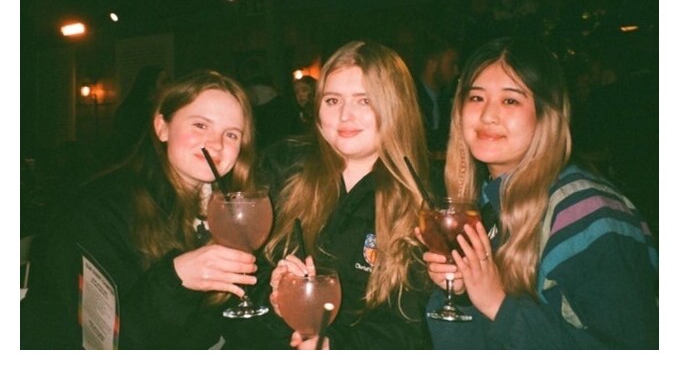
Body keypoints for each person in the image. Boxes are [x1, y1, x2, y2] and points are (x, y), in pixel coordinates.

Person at [422, 37, 658, 349]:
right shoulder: (485, 205)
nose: (487, 115)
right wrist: (464, 294)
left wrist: (499, 304)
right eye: (476, 98)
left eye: (510, 101)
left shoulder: (587, 213)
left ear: (546, 114)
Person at [21, 70, 259, 349]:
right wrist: (176, 280)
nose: (216, 144)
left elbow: (225, 323)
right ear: (162, 127)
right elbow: (103, 342)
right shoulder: (96, 210)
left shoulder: (229, 210)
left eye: (231, 134)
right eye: (200, 125)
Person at [229, 41, 433, 350]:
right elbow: (235, 281)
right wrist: (271, 295)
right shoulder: (282, 164)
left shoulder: (420, 199)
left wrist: (336, 348)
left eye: (365, 101)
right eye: (333, 100)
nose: (345, 116)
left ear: (395, 105)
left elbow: (409, 328)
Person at [414, 40, 460, 198]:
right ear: (433, 64)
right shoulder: (410, 99)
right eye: (451, 64)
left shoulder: (445, 102)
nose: (456, 71)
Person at [104, 65, 169, 168]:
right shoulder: (134, 110)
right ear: (150, 85)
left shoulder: (160, 109)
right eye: (163, 82)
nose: (167, 87)